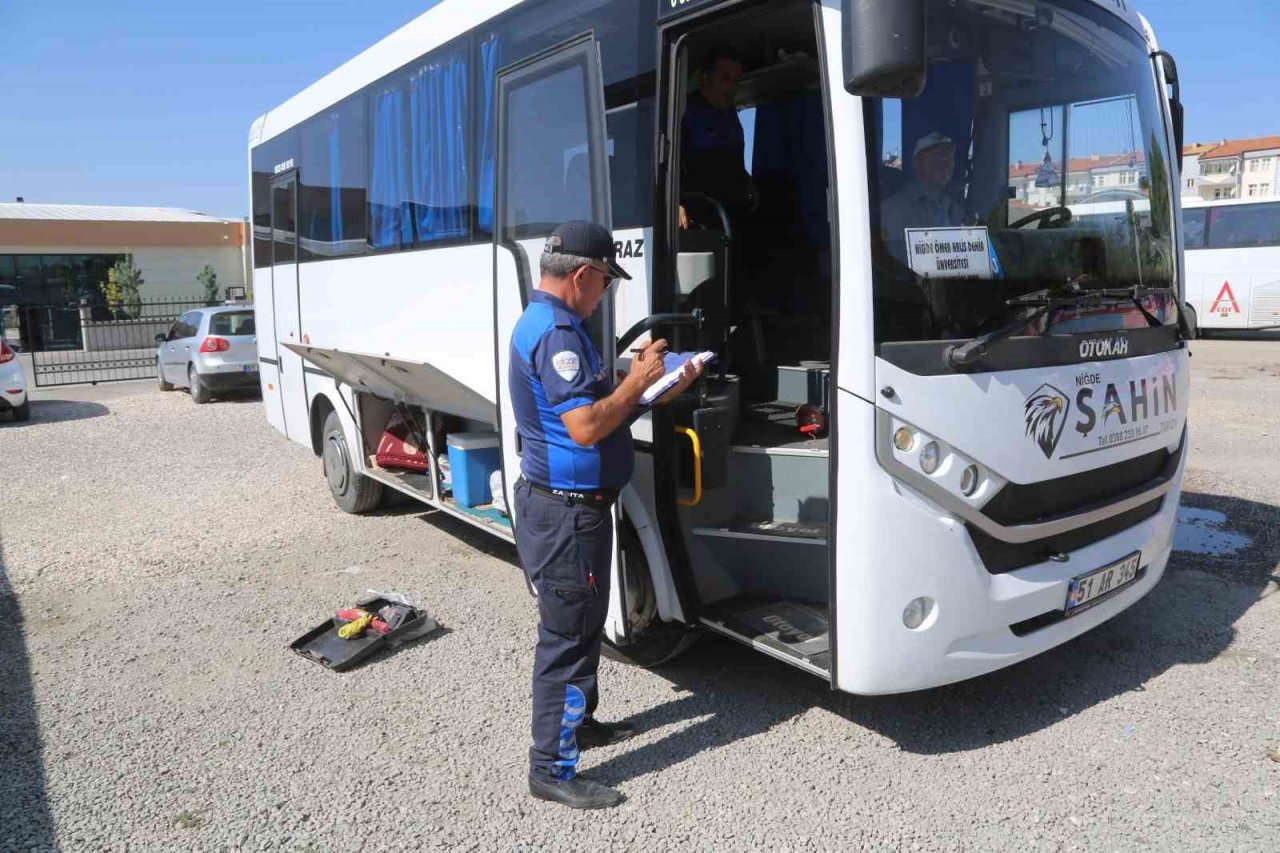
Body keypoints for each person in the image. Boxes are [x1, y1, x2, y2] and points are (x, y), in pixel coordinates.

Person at [508, 220, 703, 810]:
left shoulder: (558, 325)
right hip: (564, 515)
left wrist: (658, 384)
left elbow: (603, 402)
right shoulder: (556, 334)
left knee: (586, 623)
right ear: (584, 275)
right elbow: (588, 425)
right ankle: (550, 769)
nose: (604, 295)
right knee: (566, 637)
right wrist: (638, 378)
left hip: (575, 512)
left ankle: (580, 724)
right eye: (605, 284)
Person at [680, 48, 755, 228]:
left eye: (735, 81)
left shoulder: (730, 115)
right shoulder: (685, 112)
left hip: (734, 215)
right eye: (725, 79)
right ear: (705, 80)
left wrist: (748, 182)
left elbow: (732, 164)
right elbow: (665, 166)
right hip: (703, 218)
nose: (732, 87)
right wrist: (675, 204)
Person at [880, 131, 966, 263]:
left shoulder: (957, 209)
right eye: (936, 154)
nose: (945, 159)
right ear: (918, 163)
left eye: (949, 154)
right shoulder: (893, 209)